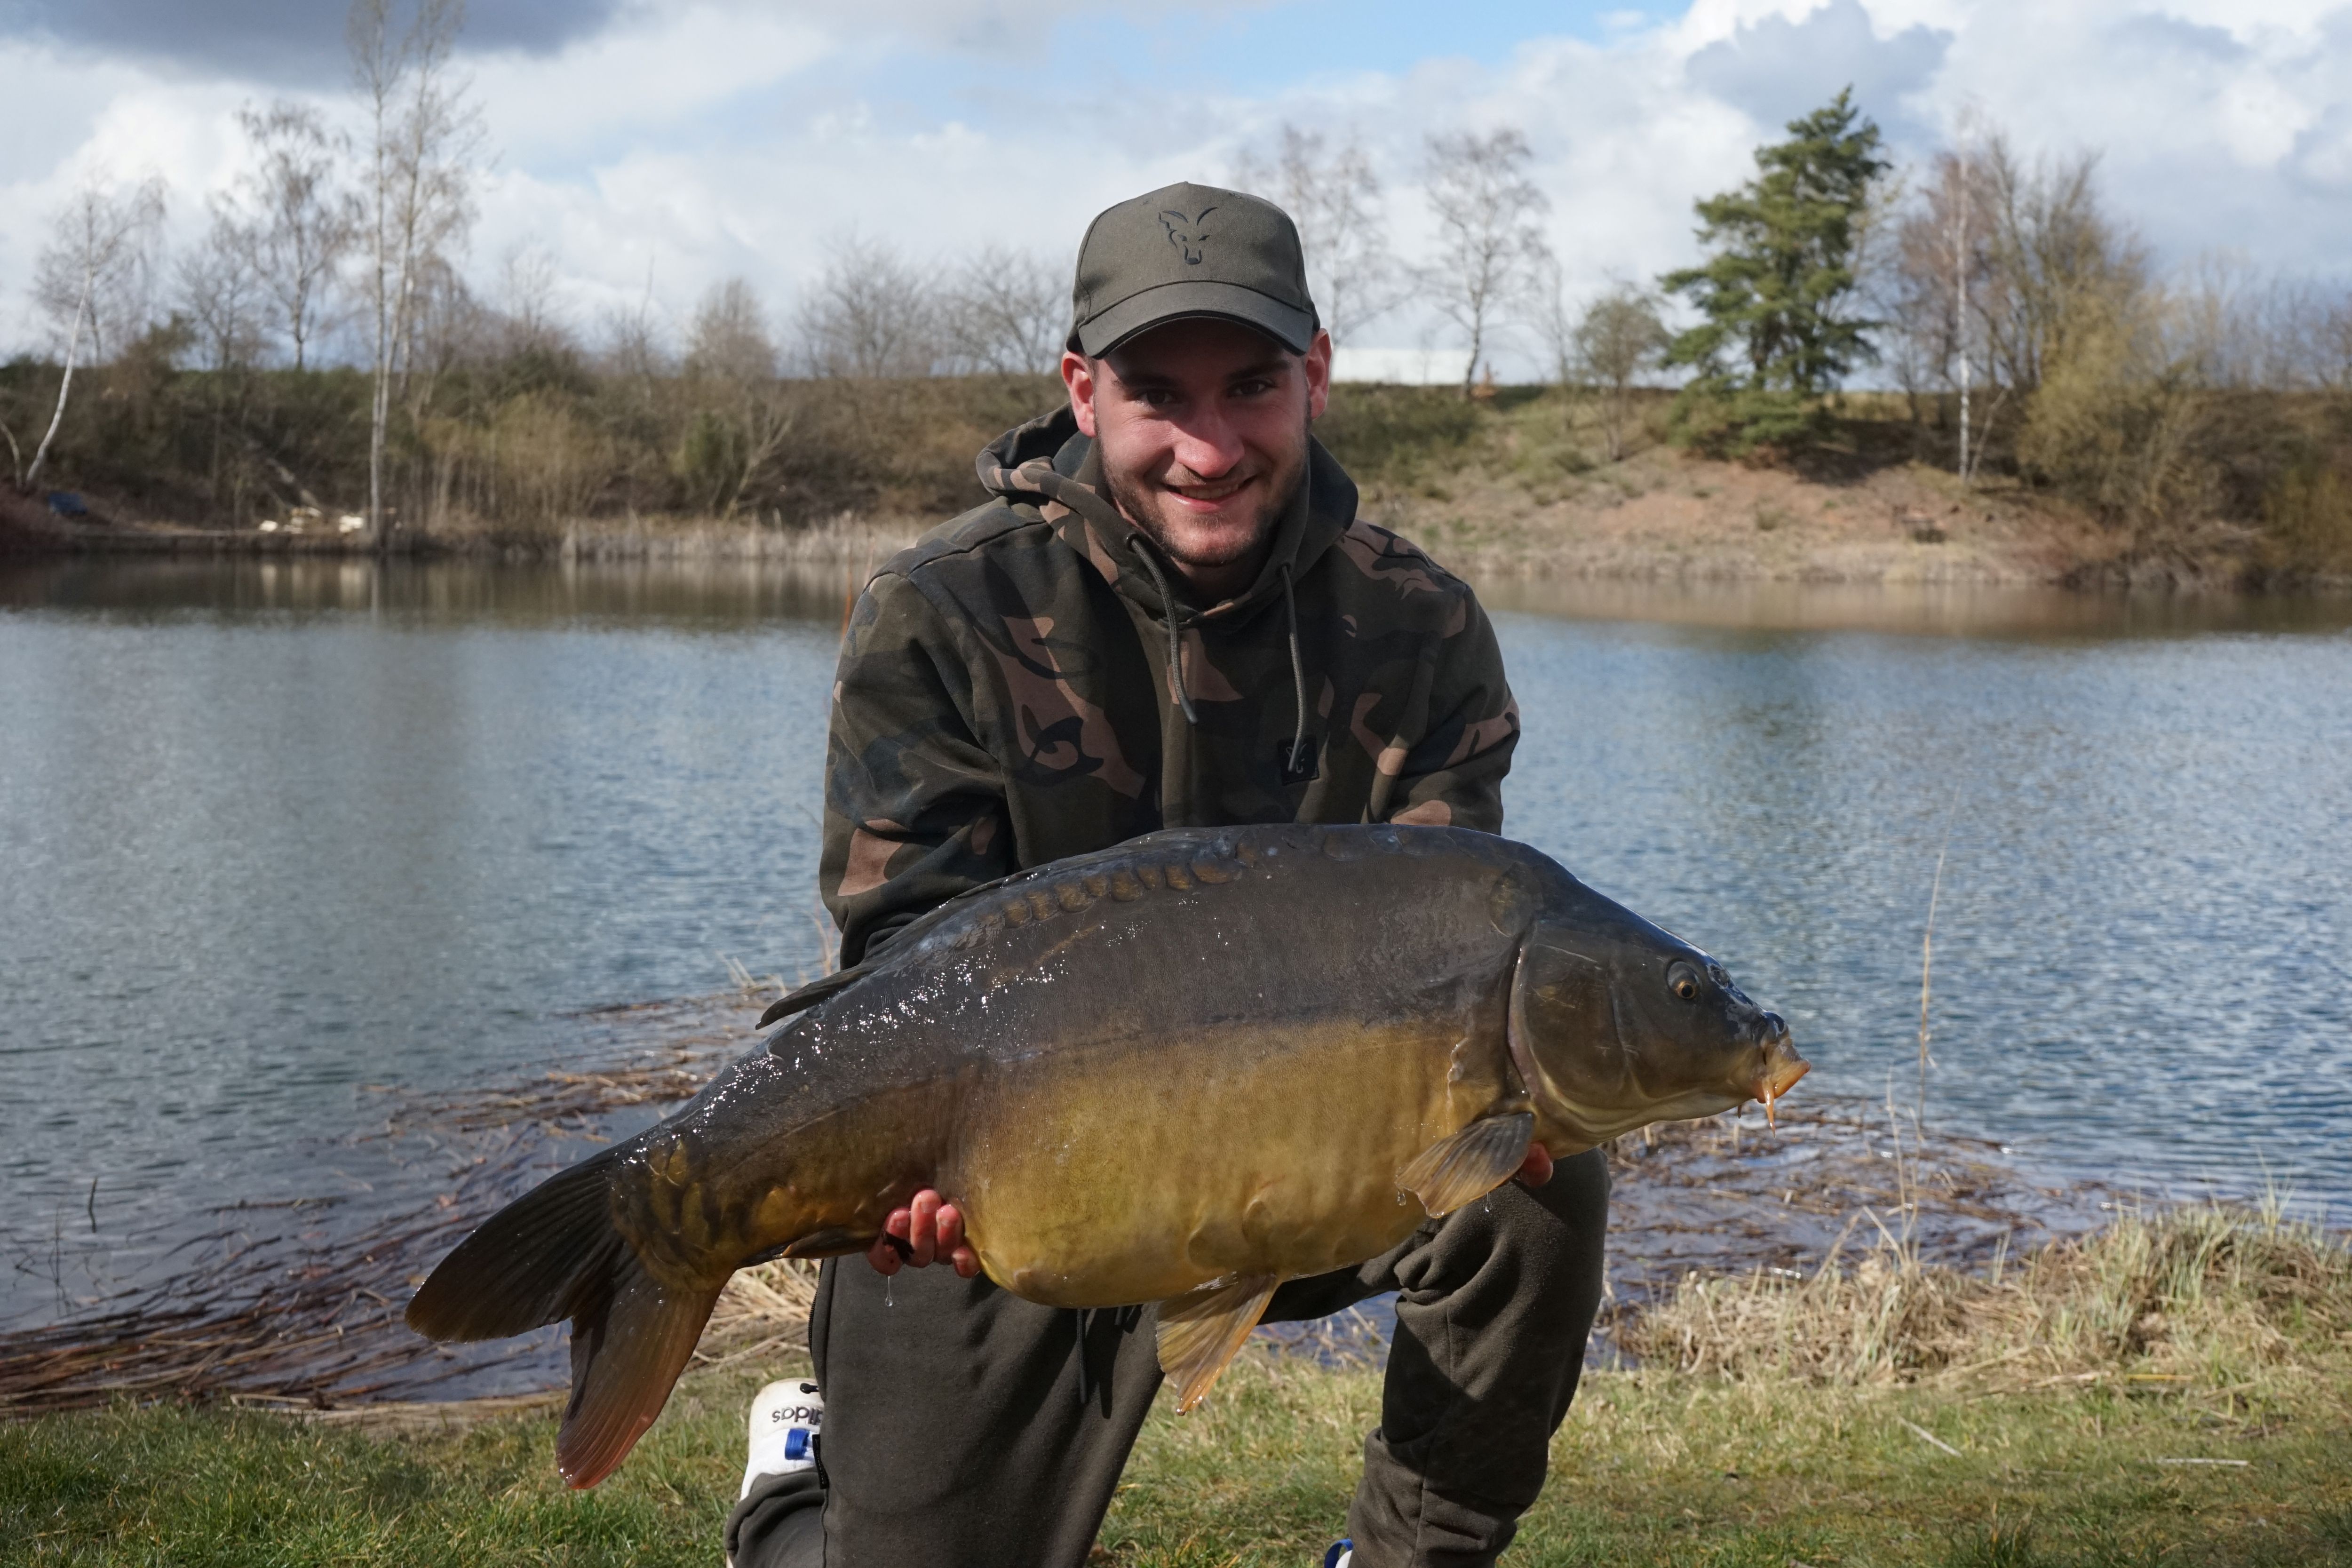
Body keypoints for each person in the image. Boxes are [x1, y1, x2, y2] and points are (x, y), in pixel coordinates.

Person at [724, 183, 1609, 1568]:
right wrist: (917, 1169)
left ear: (1316, 375)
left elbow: (1455, 946)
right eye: (1158, 394)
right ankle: (791, 1492)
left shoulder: (1420, 624)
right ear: (1083, 392)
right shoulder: (944, 609)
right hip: (1021, 1182)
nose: (1209, 447)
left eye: (1251, 386)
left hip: (1309, 1158)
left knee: (1537, 1163)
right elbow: (906, 954)